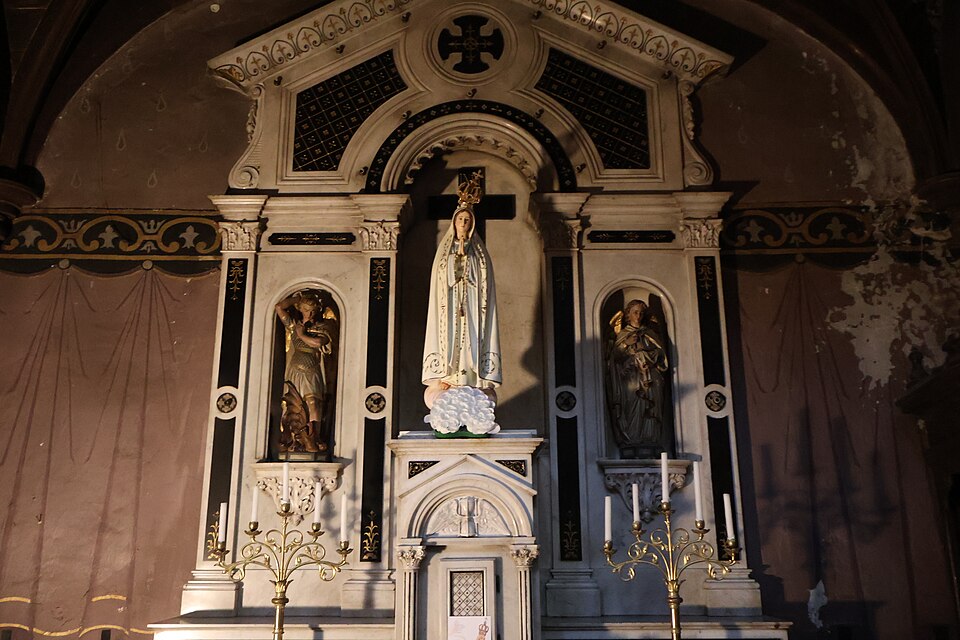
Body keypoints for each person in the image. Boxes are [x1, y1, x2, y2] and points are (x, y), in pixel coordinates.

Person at [422, 172, 501, 407]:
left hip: (473, 307)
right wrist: (456, 265)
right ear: (454, 222)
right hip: (450, 308)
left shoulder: (479, 254)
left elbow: (484, 282)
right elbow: (440, 280)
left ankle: (472, 379)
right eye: (460, 220)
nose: (463, 223)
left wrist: (469, 269)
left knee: (472, 340)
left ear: (472, 223)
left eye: (467, 220)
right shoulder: (445, 252)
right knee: (451, 338)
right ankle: (448, 376)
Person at [275, 290, 337, 453]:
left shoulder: (323, 326)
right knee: (293, 406)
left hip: (313, 369)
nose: (309, 314)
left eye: (312, 310)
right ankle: (296, 438)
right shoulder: (294, 325)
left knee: (313, 402)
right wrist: (298, 298)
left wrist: (301, 335)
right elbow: (279, 307)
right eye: (305, 310)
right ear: (300, 309)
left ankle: (314, 437)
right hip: (295, 370)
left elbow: (318, 342)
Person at [605, 299, 669, 457]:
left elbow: (662, 357)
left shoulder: (651, 334)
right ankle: (631, 438)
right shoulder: (623, 335)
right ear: (628, 315)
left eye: (641, 313)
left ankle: (650, 438)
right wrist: (625, 344)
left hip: (652, 379)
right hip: (631, 380)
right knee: (633, 406)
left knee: (652, 409)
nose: (638, 316)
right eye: (635, 312)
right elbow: (613, 360)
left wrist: (646, 353)